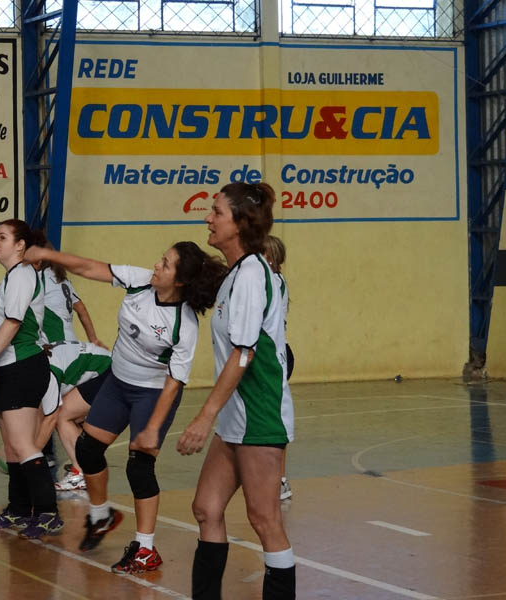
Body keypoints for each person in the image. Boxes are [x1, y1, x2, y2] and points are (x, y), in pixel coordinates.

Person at [24, 241, 226, 574]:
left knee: (139, 467)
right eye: (161, 258)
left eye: (166, 264)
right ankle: (101, 516)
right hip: (117, 381)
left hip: (152, 394)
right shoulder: (140, 280)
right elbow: (89, 266)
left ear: (179, 281)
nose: (157, 265)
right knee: (88, 451)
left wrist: (151, 428)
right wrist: (47, 255)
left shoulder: (183, 324)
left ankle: (145, 549)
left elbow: (174, 381)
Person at [177, 182, 295, 600]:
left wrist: (204, 416)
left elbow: (244, 354)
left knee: (265, 520)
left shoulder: (250, 277)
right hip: (237, 416)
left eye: (217, 212)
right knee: (206, 509)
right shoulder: (237, 274)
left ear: (241, 224)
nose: (208, 218)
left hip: (259, 413)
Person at [0, 219, 63, 539]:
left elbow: (13, 321)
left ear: (20, 245)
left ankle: (48, 512)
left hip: (22, 366)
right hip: (9, 369)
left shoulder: (22, 274)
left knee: (23, 444)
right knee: (11, 447)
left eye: (2, 237)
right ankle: (19, 509)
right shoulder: (11, 277)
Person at [44, 341, 112, 492]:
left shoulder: (48, 371)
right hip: (107, 367)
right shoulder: (41, 354)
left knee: (62, 416)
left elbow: (49, 416)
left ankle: (82, 472)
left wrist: (30, 455)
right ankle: (86, 465)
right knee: (71, 416)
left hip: (109, 371)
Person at [264, 235, 294, 501]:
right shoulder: (266, 279)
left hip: (276, 356)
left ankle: (281, 480)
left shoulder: (274, 281)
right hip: (273, 354)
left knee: (275, 422)